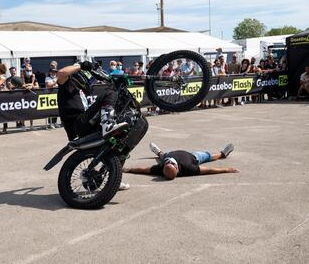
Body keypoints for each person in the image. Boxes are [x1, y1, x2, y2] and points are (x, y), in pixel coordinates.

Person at [57, 60, 130, 190]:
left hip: (85, 125)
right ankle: (108, 124)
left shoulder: (80, 92)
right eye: (89, 80)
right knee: (109, 93)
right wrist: (79, 65)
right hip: (78, 125)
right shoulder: (67, 84)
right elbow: (62, 72)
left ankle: (112, 178)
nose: (90, 84)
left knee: (121, 144)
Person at [123, 142, 239, 180]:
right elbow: (208, 170)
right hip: (193, 156)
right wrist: (226, 169)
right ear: (177, 168)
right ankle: (223, 154)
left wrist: (128, 169)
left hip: (169, 153)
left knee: (162, 156)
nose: (169, 162)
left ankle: (158, 152)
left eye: (168, 163)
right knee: (209, 156)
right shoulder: (188, 168)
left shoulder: (161, 168)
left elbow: (143, 169)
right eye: (171, 164)